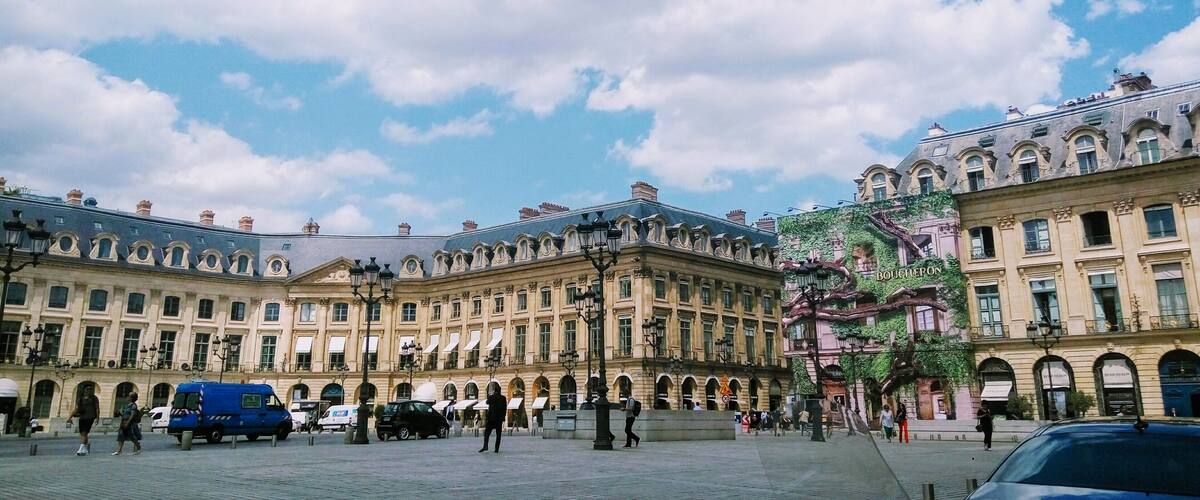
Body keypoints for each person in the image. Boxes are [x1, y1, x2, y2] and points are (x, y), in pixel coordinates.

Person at [68, 385, 101, 456]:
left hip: (90, 417)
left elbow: (97, 408)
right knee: (83, 433)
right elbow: (76, 409)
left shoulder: (94, 398)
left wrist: (97, 418)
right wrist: (70, 417)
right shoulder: (80, 398)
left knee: (84, 432)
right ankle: (85, 449)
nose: (88, 390)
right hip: (82, 417)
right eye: (87, 389)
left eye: (90, 389)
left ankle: (80, 449)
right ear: (84, 390)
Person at [479, 388, 506, 453]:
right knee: (498, 435)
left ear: (494, 391)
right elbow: (505, 408)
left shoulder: (491, 397)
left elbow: (487, 402)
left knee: (487, 433)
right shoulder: (503, 398)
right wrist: (503, 417)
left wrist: (490, 395)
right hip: (499, 419)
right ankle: (496, 449)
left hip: (491, 418)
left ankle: (485, 446)